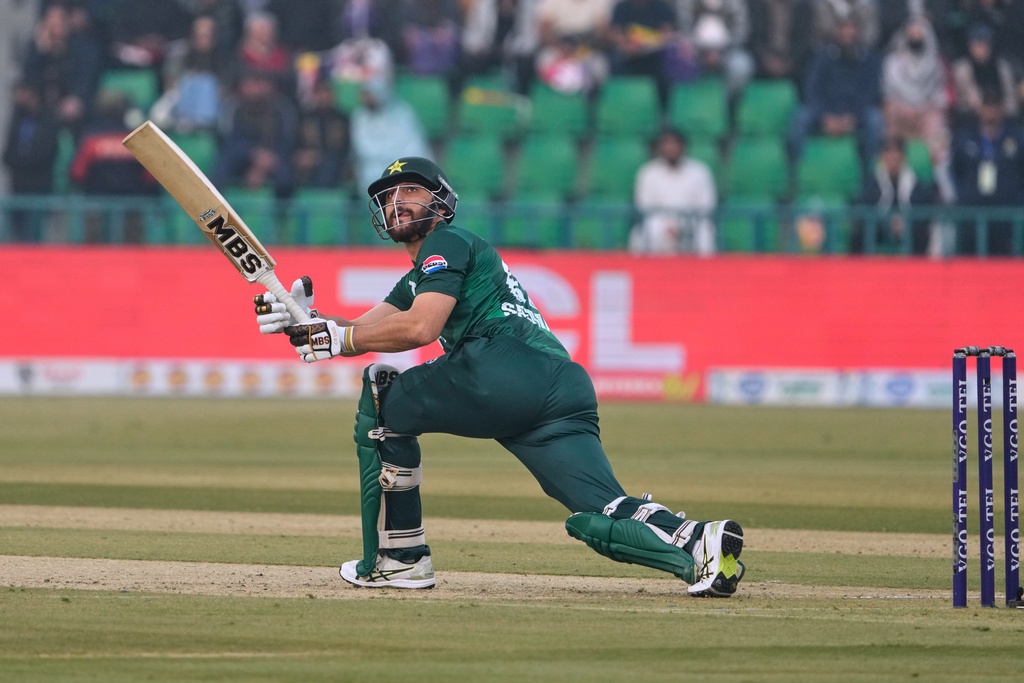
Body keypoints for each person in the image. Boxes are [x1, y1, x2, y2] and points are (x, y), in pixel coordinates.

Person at [251, 156, 746, 595]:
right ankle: (696, 542)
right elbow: (363, 328)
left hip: (502, 366)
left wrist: (336, 339)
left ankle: (397, 560)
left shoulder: (446, 241)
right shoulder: (423, 273)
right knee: (599, 511)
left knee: (383, 400)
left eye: (412, 191)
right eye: (388, 196)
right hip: (561, 386)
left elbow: (421, 327)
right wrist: (305, 321)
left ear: (441, 204)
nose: (397, 201)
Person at [788, 18, 884, 179]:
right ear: (837, 34)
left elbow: (871, 93)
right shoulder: (822, 57)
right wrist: (825, 117)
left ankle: (868, 174)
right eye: (844, 32)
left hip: (855, 112)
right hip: (825, 110)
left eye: (851, 33)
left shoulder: (869, 59)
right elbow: (812, 89)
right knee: (800, 118)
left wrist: (852, 118)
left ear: (858, 35)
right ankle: (795, 173)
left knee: (875, 120)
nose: (848, 36)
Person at [949, 89, 1024, 255]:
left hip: (1005, 214)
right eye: (987, 107)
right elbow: (955, 169)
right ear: (980, 109)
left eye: (994, 107)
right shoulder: (966, 137)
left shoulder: (1016, 138)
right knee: (968, 261)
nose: (991, 112)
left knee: (1005, 264)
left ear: (1001, 109)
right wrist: (962, 195)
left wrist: (1018, 199)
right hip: (972, 212)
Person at [630, 128, 717, 254]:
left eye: (674, 144)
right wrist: (667, 225)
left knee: (704, 233)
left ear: (683, 146)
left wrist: (681, 225)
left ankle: (704, 272)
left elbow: (706, 205)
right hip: (658, 223)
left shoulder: (699, 171)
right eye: (666, 144)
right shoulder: (648, 172)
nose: (670, 148)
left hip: (692, 221)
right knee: (646, 231)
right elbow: (644, 205)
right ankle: (648, 272)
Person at [850, 136, 938, 254]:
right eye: (888, 152)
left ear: (903, 156)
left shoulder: (915, 182)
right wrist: (887, 222)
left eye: (896, 152)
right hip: (880, 227)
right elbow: (867, 207)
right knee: (861, 233)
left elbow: (923, 210)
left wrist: (905, 222)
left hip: (908, 227)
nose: (892, 157)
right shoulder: (873, 182)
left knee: (920, 233)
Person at [882, 17, 950, 168]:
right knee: (889, 122)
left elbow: (940, 97)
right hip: (901, 114)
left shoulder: (936, 65)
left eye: (919, 35)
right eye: (912, 35)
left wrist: (924, 110)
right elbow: (888, 96)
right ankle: (893, 176)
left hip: (926, 114)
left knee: (940, 130)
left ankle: (941, 179)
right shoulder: (892, 64)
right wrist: (906, 110)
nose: (915, 39)